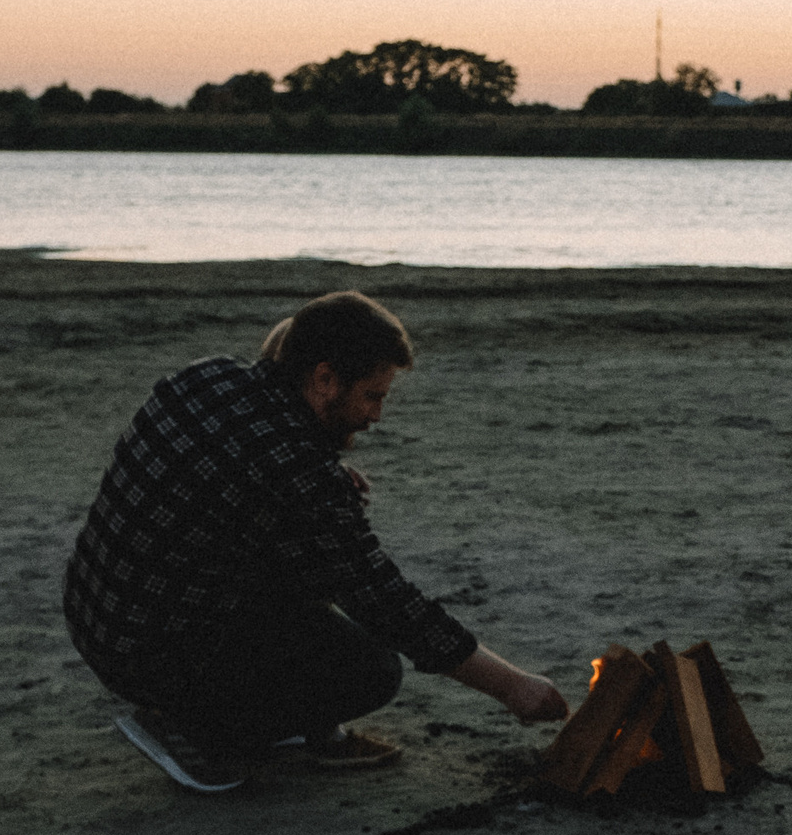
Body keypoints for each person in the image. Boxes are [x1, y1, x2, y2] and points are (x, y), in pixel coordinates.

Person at [64, 290, 568, 793]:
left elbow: (248, 442)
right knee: (369, 670)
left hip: (95, 614)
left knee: (303, 566)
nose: (376, 416)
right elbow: (388, 602)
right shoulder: (299, 474)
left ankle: (255, 715)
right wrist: (512, 688)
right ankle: (186, 723)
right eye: (373, 395)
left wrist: (321, 476)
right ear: (324, 378)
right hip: (150, 651)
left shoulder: (208, 375)